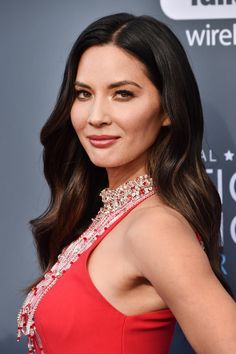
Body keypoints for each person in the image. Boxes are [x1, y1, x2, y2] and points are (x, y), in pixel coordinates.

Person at [17, 12, 236, 354]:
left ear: (168, 109)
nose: (96, 116)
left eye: (122, 94)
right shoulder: (109, 215)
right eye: (84, 94)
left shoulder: (154, 228)